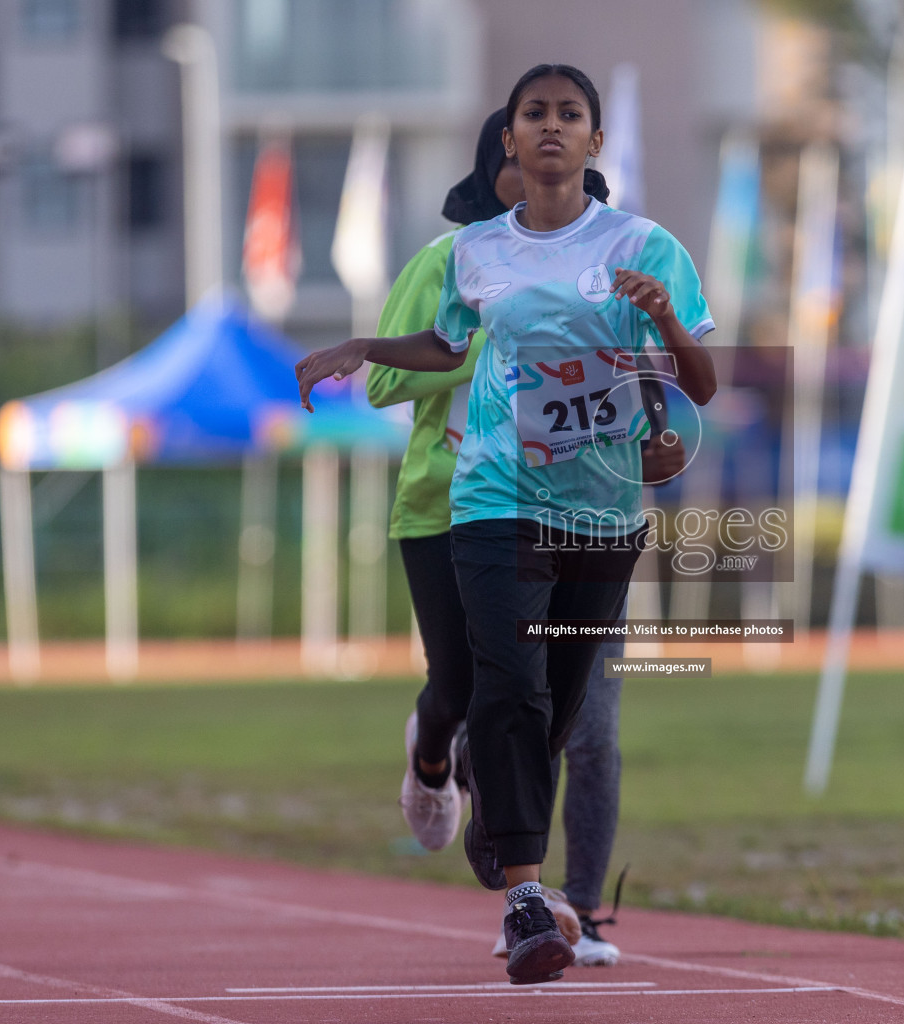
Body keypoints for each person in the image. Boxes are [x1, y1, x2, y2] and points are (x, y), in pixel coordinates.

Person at [297, 63, 715, 986]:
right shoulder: (468, 256)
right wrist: (365, 345)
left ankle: (504, 820)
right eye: (536, 115)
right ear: (509, 144)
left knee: (561, 708)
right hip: (487, 498)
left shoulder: (648, 248)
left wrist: (665, 336)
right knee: (505, 682)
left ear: (595, 142)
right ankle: (530, 896)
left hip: (600, 511)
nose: (553, 128)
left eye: (571, 114)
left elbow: (697, 388)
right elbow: (440, 348)